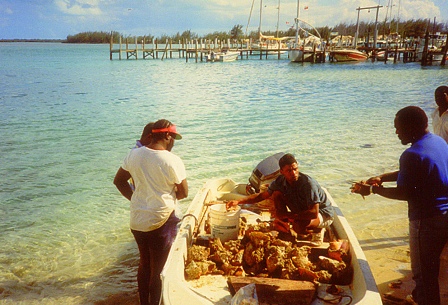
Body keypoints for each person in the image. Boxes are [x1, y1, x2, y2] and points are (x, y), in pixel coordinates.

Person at [351, 106, 448, 305]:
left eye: (398, 128)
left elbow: (404, 192)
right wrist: (382, 177)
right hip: (444, 215)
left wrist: (371, 190)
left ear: (411, 126)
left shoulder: (411, 154)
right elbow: (418, 170)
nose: (396, 132)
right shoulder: (437, 142)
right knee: (432, 272)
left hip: (426, 222)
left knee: (424, 277)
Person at [113, 119, 188, 305]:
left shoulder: (134, 155)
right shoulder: (173, 160)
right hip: (161, 220)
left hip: (137, 220)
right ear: (167, 136)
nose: (173, 143)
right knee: (159, 269)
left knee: (144, 263)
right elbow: (184, 192)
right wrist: (168, 193)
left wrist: (136, 199)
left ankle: (143, 302)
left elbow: (119, 181)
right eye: (173, 138)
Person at [227, 153, 333, 235]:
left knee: (299, 226)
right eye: (289, 170)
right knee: (277, 193)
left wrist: (288, 215)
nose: (293, 173)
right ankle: (285, 223)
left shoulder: (308, 184)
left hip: (323, 214)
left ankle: (316, 232)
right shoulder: (280, 181)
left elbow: (314, 212)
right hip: (301, 211)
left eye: (295, 169)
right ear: (281, 171)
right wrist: (239, 201)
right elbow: (262, 196)